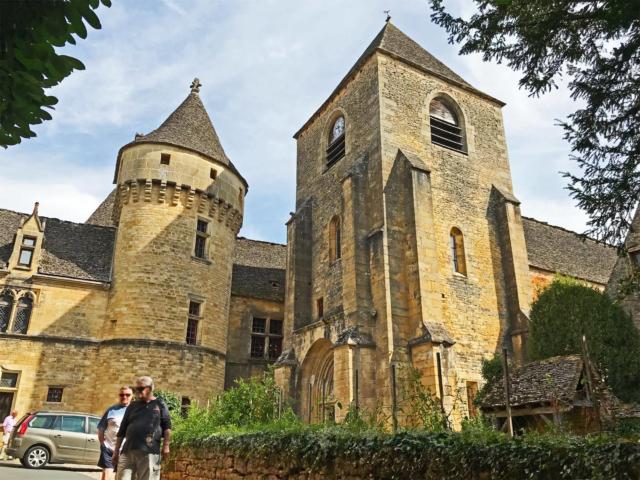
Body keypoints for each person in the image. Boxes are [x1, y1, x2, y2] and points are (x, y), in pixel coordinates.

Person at [113, 376, 171, 480]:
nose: (137, 392)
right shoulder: (132, 405)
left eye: (141, 389)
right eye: (136, 389)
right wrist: (116, 451)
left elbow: (167, 427)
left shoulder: (160, 404)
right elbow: (122, 430)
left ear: (150, 388)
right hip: (128, 451)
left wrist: (166, 446)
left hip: (149, 451)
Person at [97, 386, 133, 480]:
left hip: (125, 450)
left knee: (121, 477)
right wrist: (103, 444)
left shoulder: (135, 411)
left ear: (132, 396)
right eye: (122, 395)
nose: (124, 397)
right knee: (107, 476)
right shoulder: (111, 410)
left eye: (127, 395)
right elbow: (101, 428)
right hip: (109, 448)